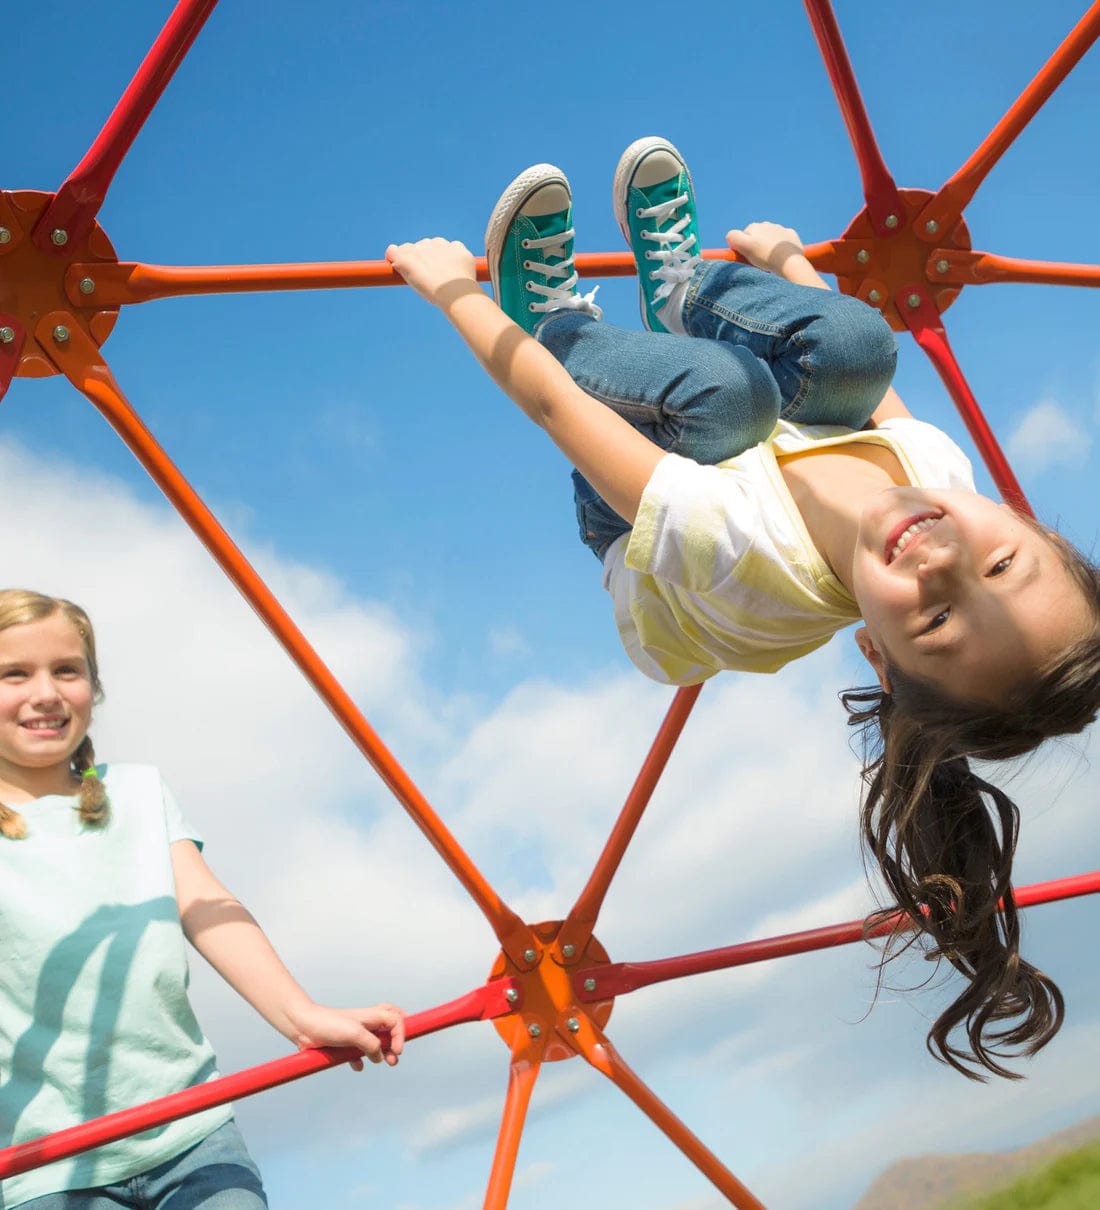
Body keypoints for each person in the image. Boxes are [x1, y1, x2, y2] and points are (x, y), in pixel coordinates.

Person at [385, 136, 1100, 1080]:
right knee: (856, 349)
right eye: (1002, 563)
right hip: (768, 455)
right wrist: (787, 269)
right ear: (1026, 522)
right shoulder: (935, 476)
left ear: (878, 658)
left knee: (726, 398)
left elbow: (561, 413)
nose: (940, 564)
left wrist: (455, 294)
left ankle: (556, 315)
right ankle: (685, 295)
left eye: (932, 621)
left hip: (644, 544)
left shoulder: (737, 552)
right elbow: (872, 382)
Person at [0, 589, 405, 1208]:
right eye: (14, 674)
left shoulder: (137, 794)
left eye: (66, 670)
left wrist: (301, 1015)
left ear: (93, 687)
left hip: (190, 1131)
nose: (47, 693)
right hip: (45, 1169)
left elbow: (207, 909)